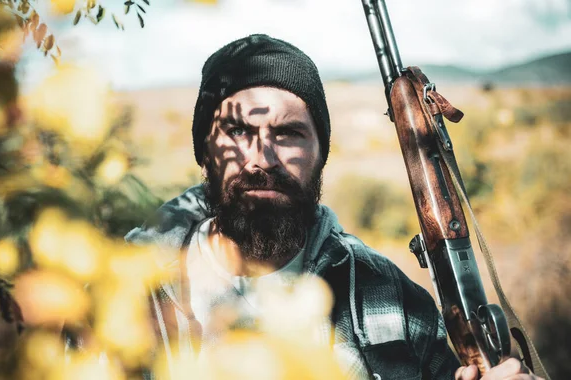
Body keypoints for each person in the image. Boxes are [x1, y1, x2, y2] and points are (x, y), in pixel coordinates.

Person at [126, 34, 539, 380]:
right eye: (237, 130)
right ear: (205, 150)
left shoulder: (395, 301)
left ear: (321, 154)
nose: (262, 158)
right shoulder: (125, 288)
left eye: (288, 133)